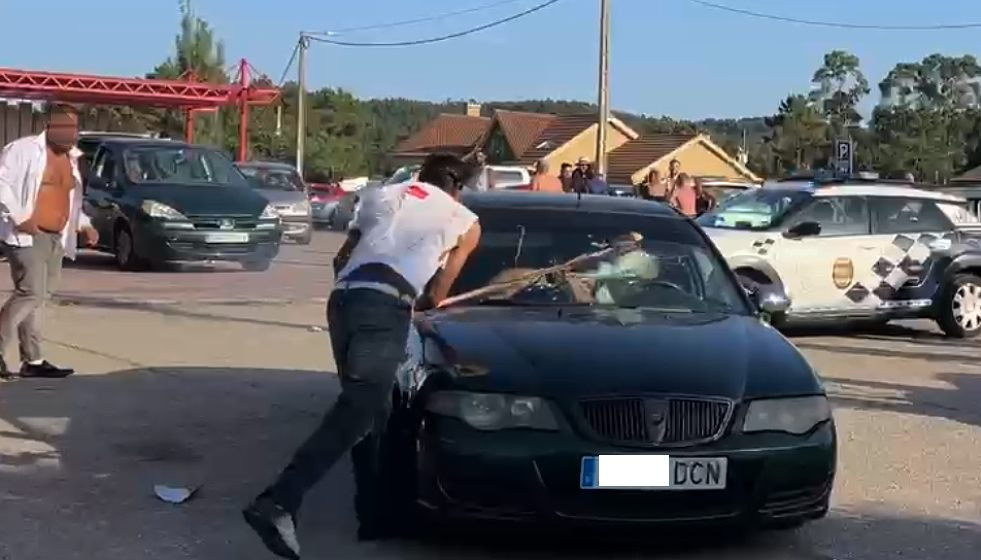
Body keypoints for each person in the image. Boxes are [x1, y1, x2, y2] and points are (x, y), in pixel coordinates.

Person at [243, 153, 482, 559]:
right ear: (457, 188)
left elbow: (341, 259)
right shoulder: (465, 221)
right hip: (384, 308)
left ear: (422, 176)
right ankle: (280, 500)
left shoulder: (379, 195)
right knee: (360, 408)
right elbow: (436, 294)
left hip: (343, 301)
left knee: (368, 411)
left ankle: (372, 516)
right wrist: (415, 303)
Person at [0, 103, 98, 379]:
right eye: (64, 127)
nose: (70, 134)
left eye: (74, 128)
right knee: (30, 293)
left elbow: (68, 199)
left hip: (57, 237)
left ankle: (32, 360)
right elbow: (1, 183)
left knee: (40, 297)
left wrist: (84, 225)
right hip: (27, 234)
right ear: (50, 126)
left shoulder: (72, 159)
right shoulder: (23, 150)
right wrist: (19, 217)